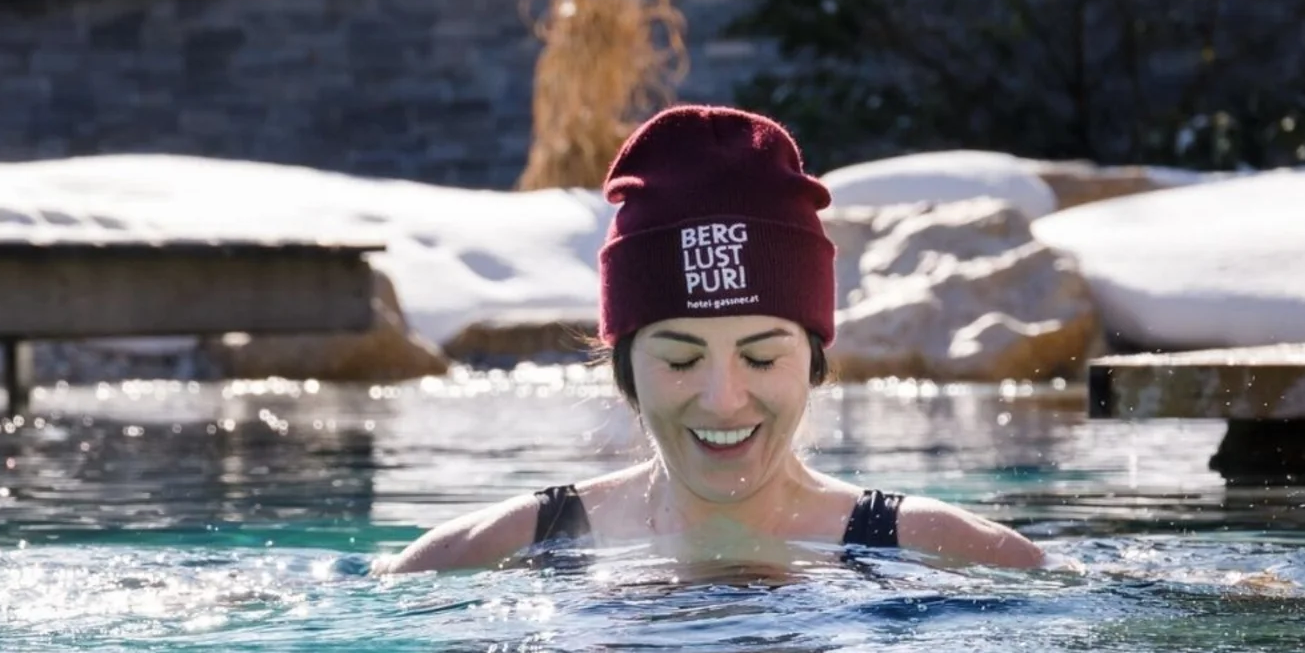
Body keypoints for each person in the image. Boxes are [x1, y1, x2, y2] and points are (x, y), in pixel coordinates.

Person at [386, 104, 1044, 573]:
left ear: (815, 364)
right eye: (679, 358)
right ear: (624, 368)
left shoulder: (942, 550)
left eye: (761, 356)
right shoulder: (496, 552)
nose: (724, 400)